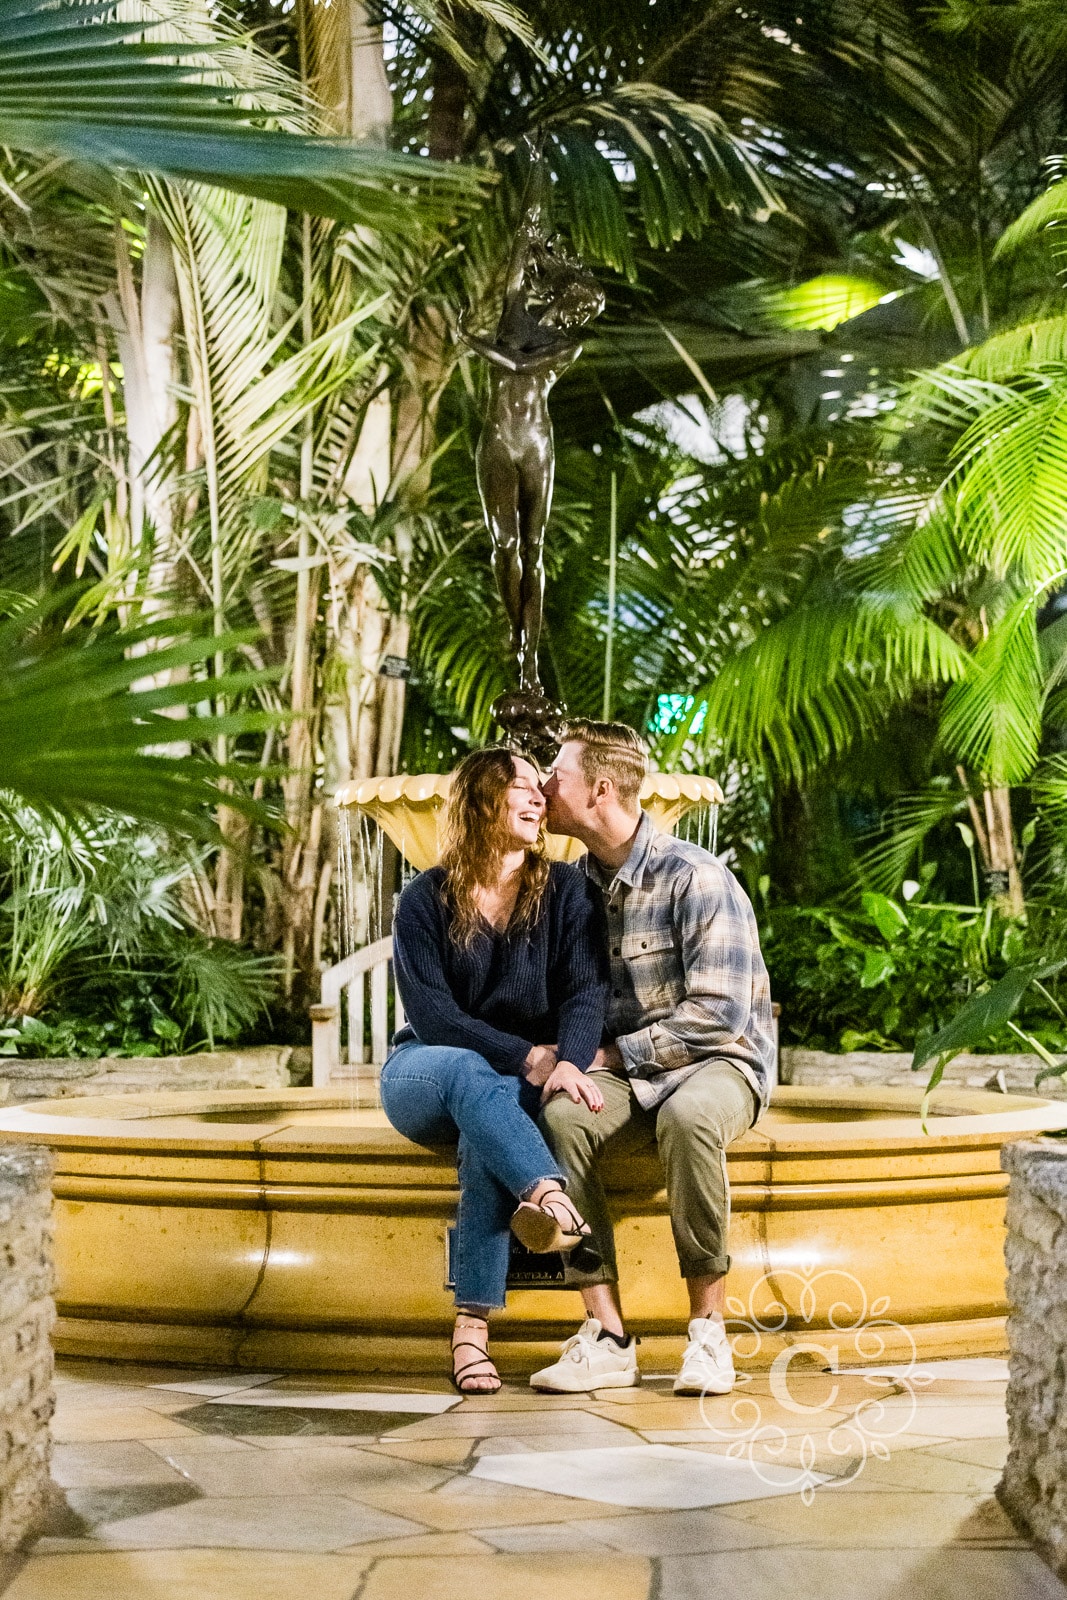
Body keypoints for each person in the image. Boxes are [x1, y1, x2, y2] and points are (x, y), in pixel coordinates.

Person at [533, 720, 776, 1396]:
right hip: (626, 1068)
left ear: (601, 788)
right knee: (562, 1118)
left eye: (557, 773)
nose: (544, 784)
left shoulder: (696, 877)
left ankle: (707, 1332)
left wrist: (610, 1053)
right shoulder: (567, 889)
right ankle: (607, 1334)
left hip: (715, 1063)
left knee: (691, 1119)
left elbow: (717, 1016)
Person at [381, 746, 607, 1394]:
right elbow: (434, 1017)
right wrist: (533, 1057)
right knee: (468, 1072)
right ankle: (550, 1195)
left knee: (490, 1123)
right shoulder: (423, 899)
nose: (538, 797)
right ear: (482, 798)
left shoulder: (566, 893)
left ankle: (470, 1330)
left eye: (542, 787)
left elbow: (585, 991)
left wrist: (567, 1060)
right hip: (425, 1068)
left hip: (509, 1089)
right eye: (520, 786)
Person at [460, 142, 604, 700]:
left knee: (535, 547)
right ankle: (515, 638)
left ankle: (530, 664)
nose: (575, 311)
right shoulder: (516, 310)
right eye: (576, 302)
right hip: (498, 440)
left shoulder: (569, 345)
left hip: (536, 444)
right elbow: (524, 241)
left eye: (582, 309)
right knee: (504, 545)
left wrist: (470, 340)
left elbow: (519, 363)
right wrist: (537, 174)